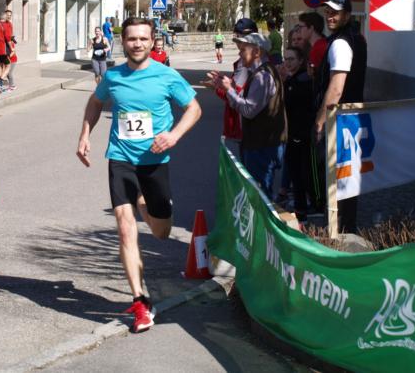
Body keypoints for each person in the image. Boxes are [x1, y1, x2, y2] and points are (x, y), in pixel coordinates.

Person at [76, 17, 201, 333]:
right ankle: (140, 301)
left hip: (155, 161)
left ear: (152, 40)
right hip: (121, 158)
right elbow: (95, 102)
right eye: (132, 39)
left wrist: (173, 136)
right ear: (124, 41)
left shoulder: (166, 76)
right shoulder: (113, 76)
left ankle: (146, 204)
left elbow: (194, 109)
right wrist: (85, 134)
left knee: (160, 231)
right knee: (124, 227)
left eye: (143, 39)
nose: (137, 44)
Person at [314, 0, 367, 233]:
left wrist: (320, 120)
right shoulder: (357, 38)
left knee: (336, 177)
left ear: (347, 14)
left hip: (339, 120)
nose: (330, 16)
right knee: (348, 177)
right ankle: (346, 227)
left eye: (335, 12)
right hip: (352, 116)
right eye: (327, 12)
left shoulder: (340, 43)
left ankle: (338, 230)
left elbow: (336, 88)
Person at [216, 29, 287, 197]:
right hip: (261, 143)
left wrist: (228, 90)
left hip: (262, 145)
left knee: (260, 195)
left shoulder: (263, 76)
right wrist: (227, 89)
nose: (239, 54)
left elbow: (248, 110)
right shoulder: (261, 72)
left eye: (243, 50)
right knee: (259, 192)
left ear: (257, 52)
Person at [204, 18, 258, 149]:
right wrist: (220, 80)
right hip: (242, 128)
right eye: (237, 37)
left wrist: (217, 87)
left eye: (240, 36)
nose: (238, 41)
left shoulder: (249, 63)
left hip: (244, 129)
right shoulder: (243, 60)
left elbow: (236, 95)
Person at [282, 47, 314, 228]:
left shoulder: (302, 80)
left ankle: (303, 211)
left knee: (300, 174)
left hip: (301, 134)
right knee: (295, 173)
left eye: (291, 59)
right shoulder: (292, 79)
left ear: (300, 61)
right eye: (286, 59)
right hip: (293, 133)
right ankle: (300, 208)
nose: (287, 62)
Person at [298, 12, 328, 78]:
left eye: (301, 27)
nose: (299, 30)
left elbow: (317, 78)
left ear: (311, 28)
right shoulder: (324, 43)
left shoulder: (317, 49)